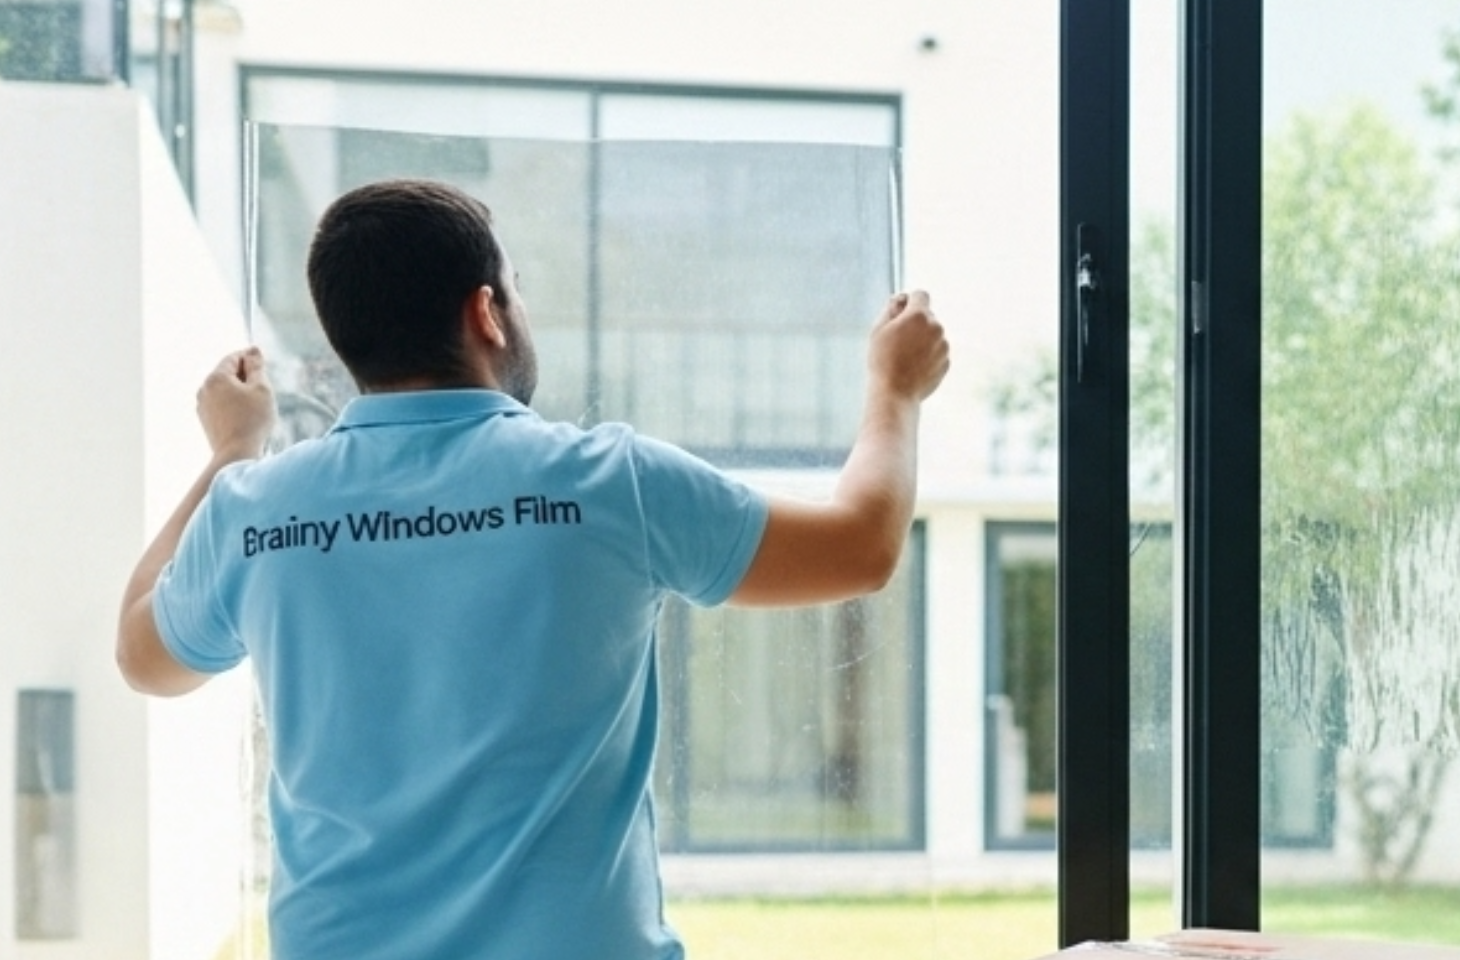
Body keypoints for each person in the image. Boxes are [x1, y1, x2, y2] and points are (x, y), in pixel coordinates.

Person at [115, 178, 949, 959]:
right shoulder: (606, 483)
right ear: (486, 313)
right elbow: (860, 545)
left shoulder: (257, 509)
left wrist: (231, 451)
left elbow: (142, 653)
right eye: (514, 287)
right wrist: (895, 388)